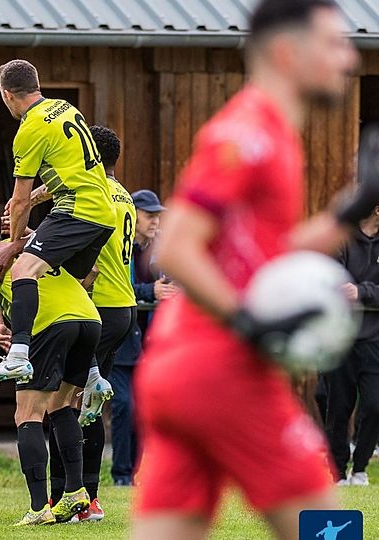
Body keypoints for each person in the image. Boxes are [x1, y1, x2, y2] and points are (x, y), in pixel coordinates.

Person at [131, 1, 370, 538]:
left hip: (179, 370)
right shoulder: (249, 134)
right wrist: (248, 322)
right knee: (328, 527)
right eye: (334, 43)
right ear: (286, 53)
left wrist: (354, 207)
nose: (350, 58)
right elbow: (174, 247)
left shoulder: (271, 133)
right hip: (224, 370)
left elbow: (266, 253)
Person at [0, 202, 98, 526]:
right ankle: (75, 491)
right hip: (88, 319)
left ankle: (39, 508)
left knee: (27, 414)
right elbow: (91, 272)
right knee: (62, 405)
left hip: (50, 324)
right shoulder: (34, 249)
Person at [0, 59, 115, 383]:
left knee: (22, 270)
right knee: (71, 283)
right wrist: (36, 199)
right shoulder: (64, 108)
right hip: (103, 212)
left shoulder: (29, 129)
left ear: (6, 94)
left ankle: (17, 356)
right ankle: (92, 374)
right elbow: (73, 173)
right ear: (37, 85)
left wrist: (14, 244)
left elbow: (19, 200)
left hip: (77, 210)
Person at [63, 125, 137, 522]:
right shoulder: (123, 193)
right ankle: (89, 498)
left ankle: (70, 496)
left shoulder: (92, 194)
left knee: (65, 402)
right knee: (89, 404)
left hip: (97, 308)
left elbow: (85, 254)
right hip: (123, 307)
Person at [110, 189, 173, 487]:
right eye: (150, 215)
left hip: (150, 345)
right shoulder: (118, 245)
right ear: (133, 215)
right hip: (121, 341)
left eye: (158, 216)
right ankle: (121, 474)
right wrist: (150, 292)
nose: (155, 222)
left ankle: (134, 473)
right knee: (124, 405)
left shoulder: (159, 250)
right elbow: (116, 287)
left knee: (143, 408)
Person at [327, 205, 379, 486]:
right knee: (338, 409)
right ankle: (337, 472)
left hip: (375, 340)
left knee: (375, 405)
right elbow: (334, 283)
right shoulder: (343, 238)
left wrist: (361, 291)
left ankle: (359, 469)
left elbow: (352, 289)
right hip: (340, 338)